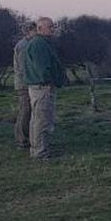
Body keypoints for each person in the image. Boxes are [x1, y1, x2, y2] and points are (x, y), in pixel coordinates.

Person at [22, 16, 68, 159]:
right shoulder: (39, 44)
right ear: (40, 28)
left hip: (40, 86)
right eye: (50, 27)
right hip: (42, 87)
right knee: (42, 119)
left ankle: (39, 148)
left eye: (53, 26)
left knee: (38, 119)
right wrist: (52, 80)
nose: (53, 29)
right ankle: (40, 152)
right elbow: (43, 68)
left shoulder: (42, 43)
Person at [12, 20, 37, 150]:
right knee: (25, 111)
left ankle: (28, 138)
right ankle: (21, 140)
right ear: (28, 31)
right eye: (35, 30)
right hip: (24, 84)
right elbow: (23, 67)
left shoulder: (29, 44)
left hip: (28, 82)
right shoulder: (23, 46)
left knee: (30, 111)